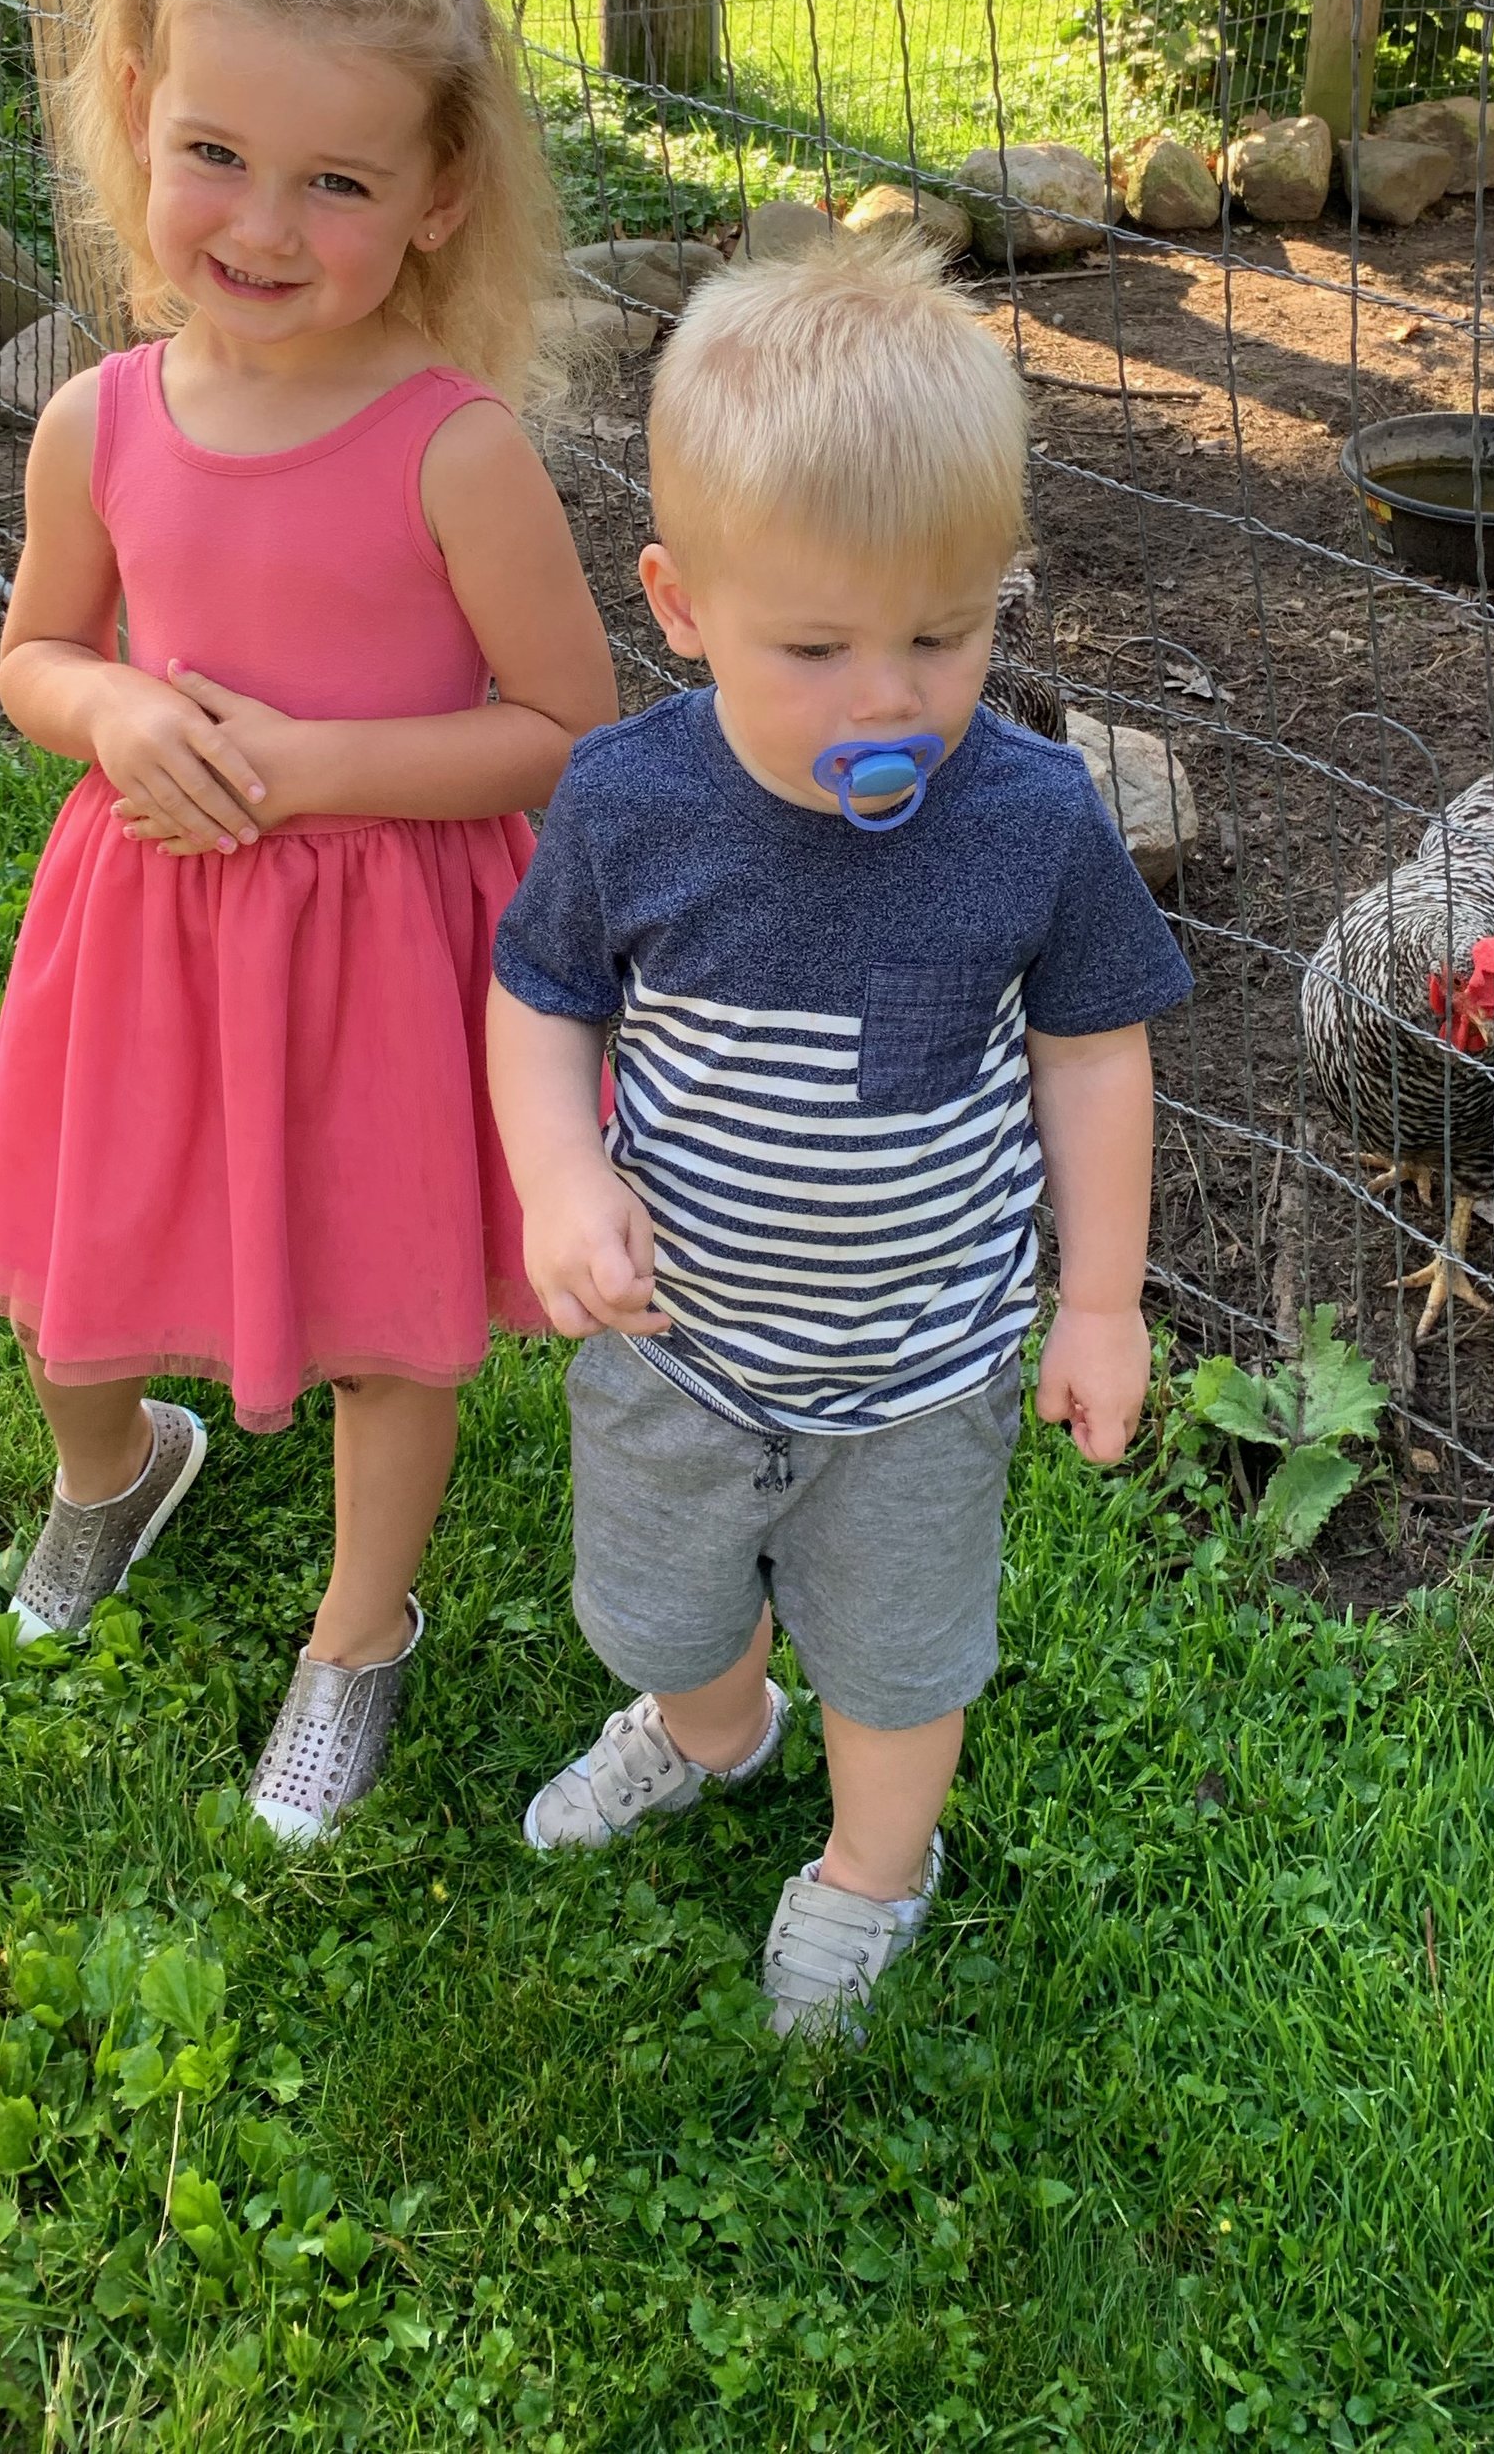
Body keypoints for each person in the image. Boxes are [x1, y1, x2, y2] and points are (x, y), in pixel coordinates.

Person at [0, 0, 616, 1842]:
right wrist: (123, 707)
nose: (262, 220)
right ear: (142, 121)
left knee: (382, 1304)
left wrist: (319, 765)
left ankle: (355, 1628)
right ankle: (110, 1465)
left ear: (434, 199)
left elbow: (565, 726)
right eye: (218, 155)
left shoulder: (453, 449)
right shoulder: (103, 416)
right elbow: (36, 656)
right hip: (147, 923)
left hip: (384, 946)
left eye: (337, 180)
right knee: (69, 1263)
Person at [487, 237, 1191, 2038]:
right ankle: (715, 1736)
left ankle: (875, 1865)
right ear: (680, 601)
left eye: (941, 637)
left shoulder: (1027, 818)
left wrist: (1097, 1302)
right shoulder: (628, 805)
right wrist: (560, 1178)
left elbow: (1098, 1056)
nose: (890, 698)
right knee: (663, 1621)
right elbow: (543, 999)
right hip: (682, 1353)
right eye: (817, 646)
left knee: (899, 1662)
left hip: (917, 1376)